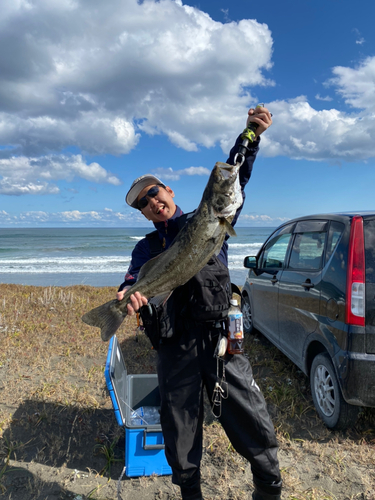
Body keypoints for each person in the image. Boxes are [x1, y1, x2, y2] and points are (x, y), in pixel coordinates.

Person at [117, 106, 282, 500]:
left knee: (248, 416)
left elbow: (232, 177)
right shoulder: (145, 250)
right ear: (142, 213)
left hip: (219, 338)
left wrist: (250, 136)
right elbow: (130, 282)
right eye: (143, 203)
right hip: (175, 348)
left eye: (154, 193)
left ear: (168, 191)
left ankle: (268, 486)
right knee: (180, 429)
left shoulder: (209, 221)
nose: (152, 203)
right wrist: (127, 298)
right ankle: (190, 491)